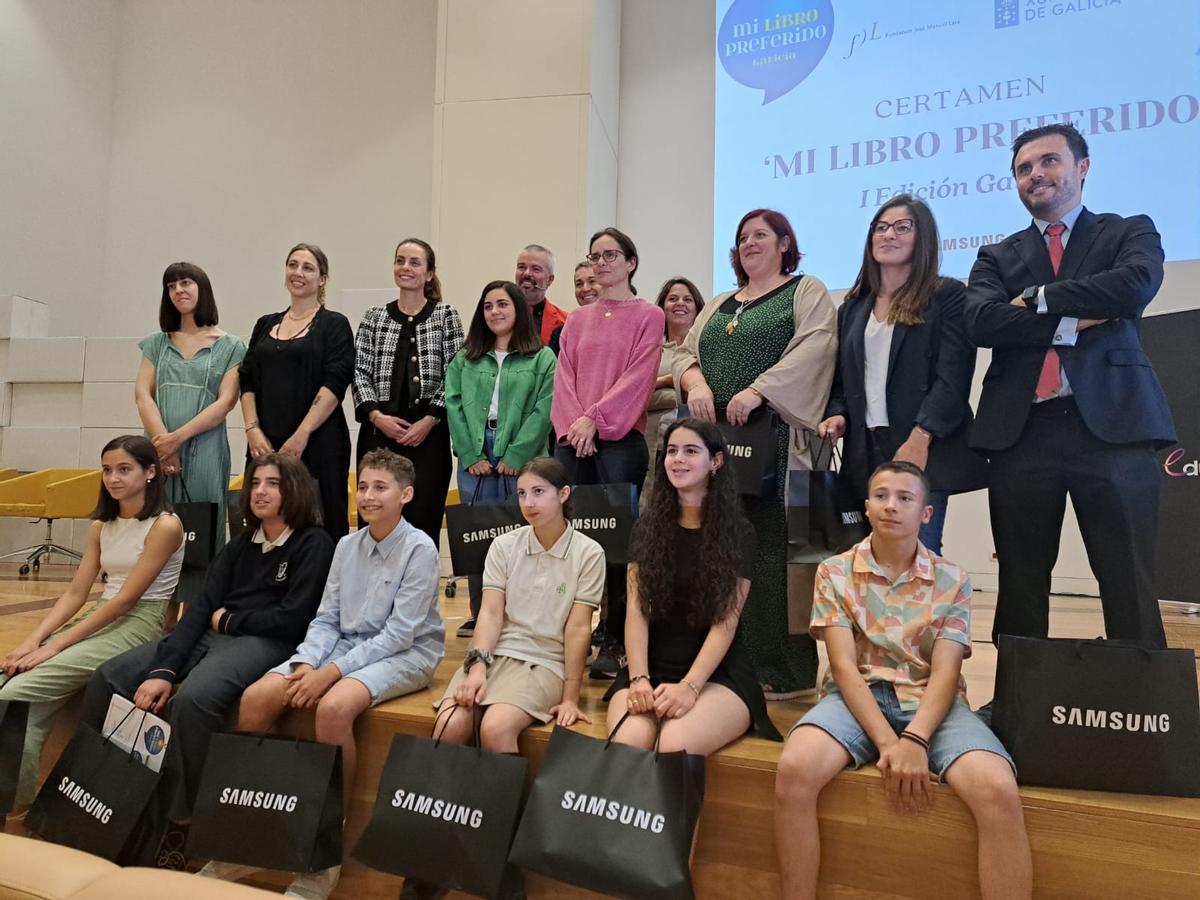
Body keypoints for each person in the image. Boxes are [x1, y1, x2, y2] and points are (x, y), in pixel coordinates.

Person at [774, 461, 1031, 900]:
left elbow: (948, 672)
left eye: (905, 498)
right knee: (793, 771)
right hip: (857, 697)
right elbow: (843, 667)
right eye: (880, 496)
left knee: (998, 788)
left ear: (925, 514)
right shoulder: (834, 572)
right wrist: (891, 744)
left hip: (930, 699)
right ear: (867, 506)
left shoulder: (953, 579)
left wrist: (916, 738)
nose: (891, 506)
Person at [963, 123, 1175, 646]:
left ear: (1082, 166)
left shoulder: (1127, 231)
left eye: (1049, 161)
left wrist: (1035, 298)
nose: (1036, 175)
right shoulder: (996, 255)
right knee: (1020, 579)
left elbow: (1133, 286)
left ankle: (1140, 704)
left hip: (1112, 429)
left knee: (1127, 576)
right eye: (1024, 169)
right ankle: (1015, 707)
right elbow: (983, 322)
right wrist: (1075, 320)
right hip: (1023, 432)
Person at [202, 450, 444, 899]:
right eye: (364, 486)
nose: (368, 496)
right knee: (256, 699)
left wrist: (330, 673)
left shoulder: (420, 549)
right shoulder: (346, 545)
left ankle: (324, 850)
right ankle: (243, 840)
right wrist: (307, 664)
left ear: (406, 495)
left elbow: (398, 635)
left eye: (380, 487)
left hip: (406, 653)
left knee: (332, 710)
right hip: (340, 649)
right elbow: (327, 619)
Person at [78, 452, 333, 860]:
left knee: (194, 700)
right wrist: (163, 669)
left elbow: (293, 618)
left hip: (268, 643)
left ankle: (185, 822)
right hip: (214, 633)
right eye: (255, 483)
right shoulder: (239, 546)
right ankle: (98, 789)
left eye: (273, 483)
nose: (260, 491)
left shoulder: (314, 544)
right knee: (110, 676)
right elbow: (200, 611)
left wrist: (230, 620)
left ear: (295, 490)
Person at [673, 209, 837, 699]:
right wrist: (695, 380)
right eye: (742, 237)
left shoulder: (804, 290)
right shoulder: (721, 302)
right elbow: (685, 353)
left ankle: (785, 671)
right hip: (719, 449)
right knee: (720, 546)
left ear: (785, 243)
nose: (749, 243)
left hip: (779, 447)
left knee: (773, 548)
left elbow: (817, 347)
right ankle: (724, 663)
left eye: (760, 235)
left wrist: (760, 391)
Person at [0, 436, 184, 812]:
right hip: (100, 614)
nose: (113, 478)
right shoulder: (102, 525)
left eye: (124, 469)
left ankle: (12, 803)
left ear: (151, 473)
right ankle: (14, 799)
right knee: (9, 686)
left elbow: (127, 600)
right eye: (107, 470)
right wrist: (33, 639)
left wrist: (54, 647)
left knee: (16, 693)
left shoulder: (165, 526)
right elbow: (75, 594)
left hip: (138, 623)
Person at [818, 196, 986, 555]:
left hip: (921, 445)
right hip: (864, 451)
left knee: (917, 560)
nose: (888, 234)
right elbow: (843, 382)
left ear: (921, 236)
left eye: (901, 227)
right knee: (866, 564)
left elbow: (953, 377)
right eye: (880, 227)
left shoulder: (946, 296)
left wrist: (921, 436)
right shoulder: (853, 307)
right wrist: (836, 414)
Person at [605, 418, 780, 755]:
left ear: (715, 462)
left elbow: (725, 623)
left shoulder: (739, 534)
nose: (678, 459)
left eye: (690, 451)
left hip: (716, 674)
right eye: (671, 451)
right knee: (628, 745)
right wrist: (639, 678)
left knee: (673, 746)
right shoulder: (646, 527)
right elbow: (636, 613)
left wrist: (690, 687)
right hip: (651, 665)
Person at [551, 227, 664, 679]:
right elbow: (564, 379)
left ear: (631, 263)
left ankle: (615, 636)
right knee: (567, 539)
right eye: (594, 256)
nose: (601, 263)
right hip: (574, 441)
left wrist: (593, 420)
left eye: (610, 255)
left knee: (617, 545)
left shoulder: (648, 315)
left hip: (618, 441)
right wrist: (576, 423)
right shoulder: (577, 320)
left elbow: (638, 379)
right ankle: (569, 630)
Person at [435, 456, 602, 750]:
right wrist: (477, 667)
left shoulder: (588, 552)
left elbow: (578, 629)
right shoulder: (503, 545)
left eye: (539, 492)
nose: (528, 503)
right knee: (449, 725)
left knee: (496, 728)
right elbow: (489, 613)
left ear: (563, 494)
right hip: (496, 652)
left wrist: (570, 698)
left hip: (546, 661)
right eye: (522, 493)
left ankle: (503, 798)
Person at [445, 280, 557, 631]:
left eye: (502, 305)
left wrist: (518, 454)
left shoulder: (541, 357)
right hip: (475, 456)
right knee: (480, 535)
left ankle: (524, 618)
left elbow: (544, 409)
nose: (495, 312)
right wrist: (469, 453)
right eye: (488, 306)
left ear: (518, 310)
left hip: (522, 456)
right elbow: (454, 405)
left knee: (521, 533)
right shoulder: (465, 359)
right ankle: (482, 615)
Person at [135, 261, 246, 601]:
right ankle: (158, 611)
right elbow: (143, 394)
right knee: (156, 527)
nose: (179, 290)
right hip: (159, 449)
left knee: (203, 529)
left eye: (185, 283)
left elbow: (226, 401)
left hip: (206, 452)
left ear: (202, 288)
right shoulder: (157, 343)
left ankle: (197, 611)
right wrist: (163, 447)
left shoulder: (231, 346)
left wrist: (176, 440)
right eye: (171, 286)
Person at [240, 243, 355, 542]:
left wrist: (302, 434)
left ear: (322, 279)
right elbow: (247, 379)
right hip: (264, 443)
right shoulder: (265, 324)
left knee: (320, 523)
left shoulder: (335, 324)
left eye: (307, 267)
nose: (298, 273)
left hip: (319, 443)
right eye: (292, 265)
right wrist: (252, 429)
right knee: (264, 523)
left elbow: (335, 383)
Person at [353, 238, 464, 547]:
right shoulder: (373, 316)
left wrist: (430, 420)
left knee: (424, 520)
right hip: (378, 433)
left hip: (428, 436)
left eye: (415, 262)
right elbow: (359, 371)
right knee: (375, 518)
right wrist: (376, 416)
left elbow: (455, 374)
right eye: (400, 260)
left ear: (429, 273)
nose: (405, 267)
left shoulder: (446, 316)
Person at [642, 277, 706, 504]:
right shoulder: (648, 349)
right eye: (673, 299)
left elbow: (710, 396)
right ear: (661, 307)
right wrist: (675, 385)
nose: (680, 303)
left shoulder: (706, 351)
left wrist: (665, 382)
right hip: (651, 446)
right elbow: (637, 398)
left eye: (688, 299)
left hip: (696, 446)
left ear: (698, 309)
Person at [515, 243, 568, 346]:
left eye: (536, 269)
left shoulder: (566, 322)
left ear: (550, 280)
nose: (526, 273)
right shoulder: (499, 315)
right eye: (521, 267)